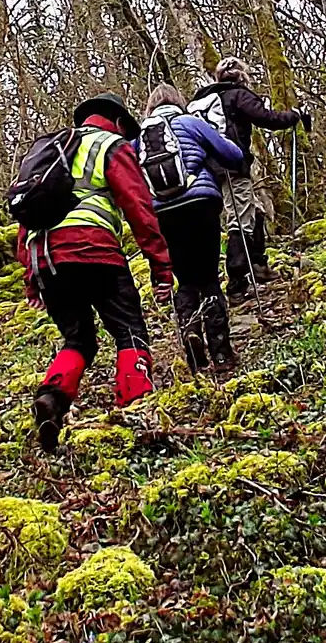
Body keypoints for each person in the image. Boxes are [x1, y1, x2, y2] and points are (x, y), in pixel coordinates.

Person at [20, 92, 175, 453]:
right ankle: (137, 413)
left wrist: (32, 278)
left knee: (79, 340)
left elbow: (26, 215)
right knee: (129, 332)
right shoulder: (111, 145)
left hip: (46, 260)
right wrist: (161, 266)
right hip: (95, 251)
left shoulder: (49, 151)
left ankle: (52, 399)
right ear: (118, 122)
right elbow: (139, 208)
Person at [139, 82, 248, 373]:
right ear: (178, 102)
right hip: (201, 203)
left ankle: (191, 336)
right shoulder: (190, 122)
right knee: (209, 278)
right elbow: (233, 155)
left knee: (185, 280)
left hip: (163, 212)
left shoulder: (138, 138)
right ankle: (221, 354)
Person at [188, 57, 309, 304]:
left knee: (256, 210)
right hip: (232, 165)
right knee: (240, 220)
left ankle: (258, 265)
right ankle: (236, 283)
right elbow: (266, 118)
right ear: (241, 76)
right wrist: (293, 116)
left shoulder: (199, 102)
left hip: (208, 171)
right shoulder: (237, 95)